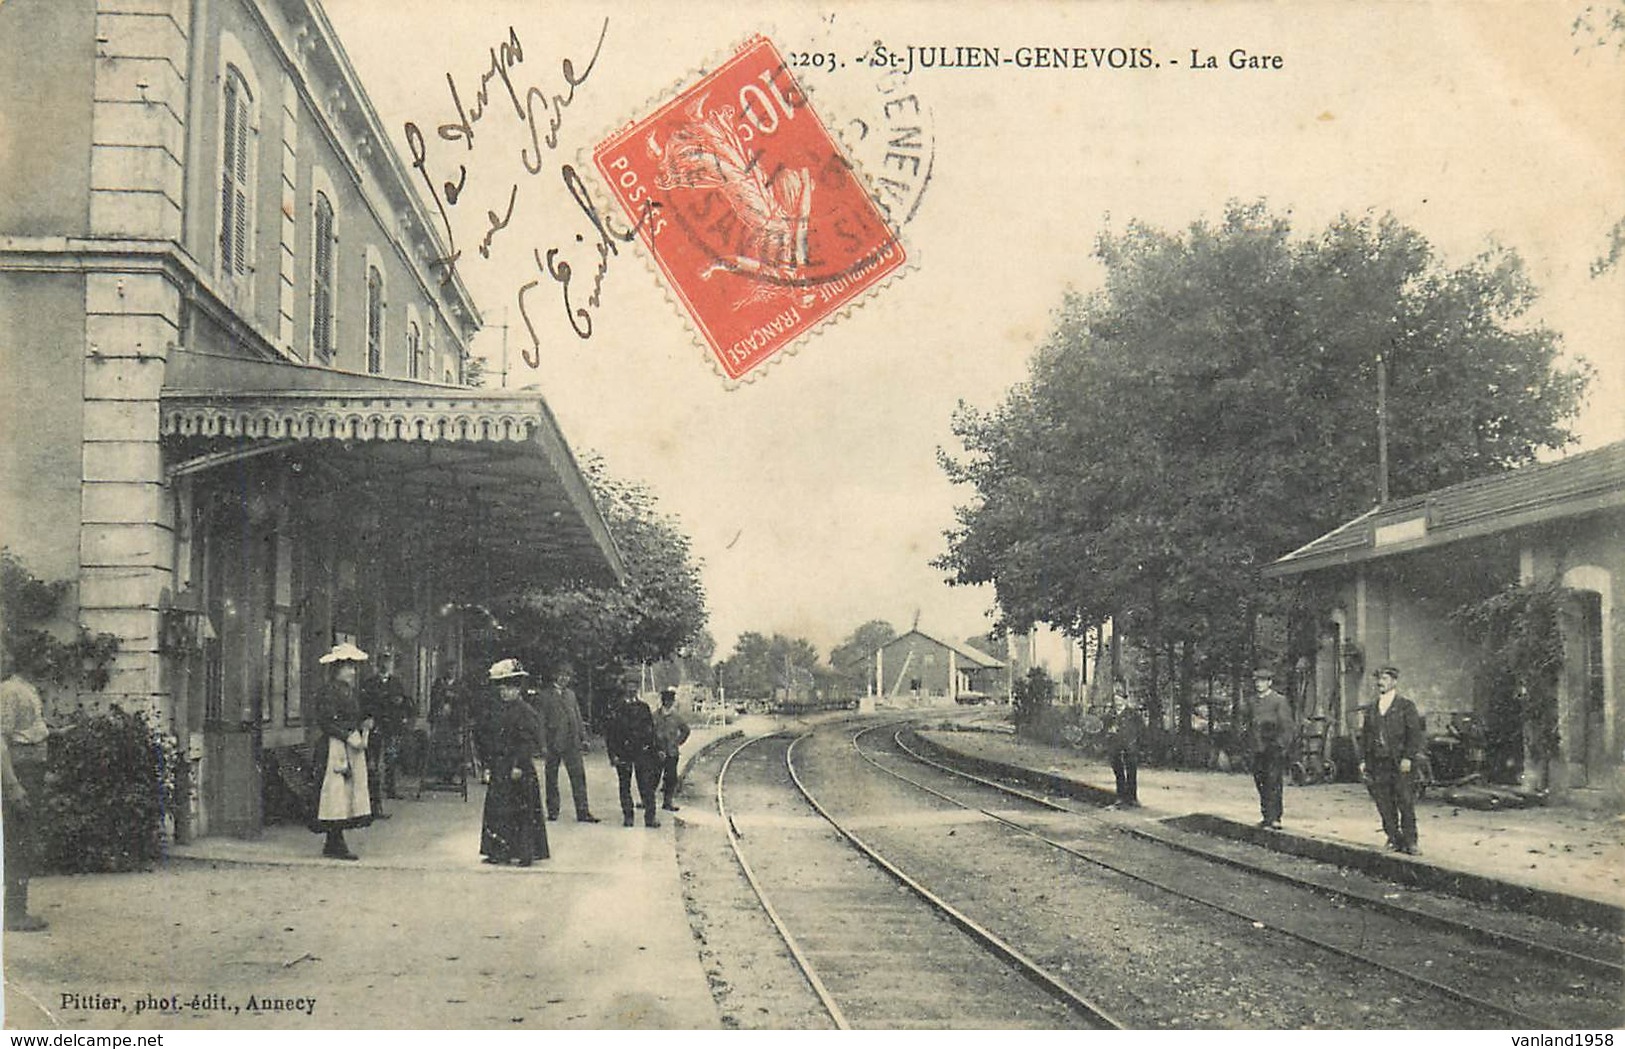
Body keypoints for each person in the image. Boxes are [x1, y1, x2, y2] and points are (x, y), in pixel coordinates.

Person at [479, 659, 549, 866]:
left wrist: (519, 764)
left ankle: (525, 852)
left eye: (509, 688)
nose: (505, 692)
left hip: (518, 767)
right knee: (498, 809)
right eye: (502, 688)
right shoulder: (499, 710)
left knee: (521, 810)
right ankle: (499, 851)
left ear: (518, 689)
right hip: (500, 765)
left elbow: (527, 741)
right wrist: (488, 765)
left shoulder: (525, 711)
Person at [308, 643, 374, 860]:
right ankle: (335, 842)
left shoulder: (350, 691)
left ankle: (333, 841)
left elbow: (354, 714)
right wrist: (347, 737)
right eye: (348, 667)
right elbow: (326, 722)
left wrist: (364, 722)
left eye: (353, 667)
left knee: (346, 794)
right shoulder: (328, 692)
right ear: (337, 669)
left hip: (350, 745)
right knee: (335, 794)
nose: (353, 672)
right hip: (334, 748)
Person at [2, 669, 52, 931]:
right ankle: (13, 913)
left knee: (26, 839)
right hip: (20, 774)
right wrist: (12, 785)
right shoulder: (10, 691)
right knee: (18, 841)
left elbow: (30, 731)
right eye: (42, 659)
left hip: (32, 772)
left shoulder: (29, 688)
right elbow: (1, 739)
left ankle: (17, 908)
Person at [1358, 666, 1427, 855]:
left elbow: (1415, 735)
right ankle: (1393, 837)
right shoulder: (1372, 708)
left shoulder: (1405, 706)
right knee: (1383, 802)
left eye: (1386, 679)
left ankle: (1411, 841)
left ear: (1394, 682)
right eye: (1379, 679)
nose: (1381, 682)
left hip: (1399, 762)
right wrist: (1363, 759)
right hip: (1378, 762)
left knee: (1405, 801)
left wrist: (1408, 758)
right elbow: (1365, 736)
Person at [537, 666, 599, 823]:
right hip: (553, 742)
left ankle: (583, 811)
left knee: (578, 777)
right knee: (551, 777)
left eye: (567, 675)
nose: (564, 678)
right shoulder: (545, 696)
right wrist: (543, 744)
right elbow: (541, 721)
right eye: (561, 675)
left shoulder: (571, 695)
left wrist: (584, 738)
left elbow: (577, 716)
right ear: (555, 676)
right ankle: (552, 811)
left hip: (572, 742)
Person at [360, 652, 412, 816]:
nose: (385, 665)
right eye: (382, 662)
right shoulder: (369, 683)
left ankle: (391, 788)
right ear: (377, 664)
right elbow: (364, 704)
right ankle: (373, 796)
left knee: (391, 758)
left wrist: (401, 707)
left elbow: (405, 703)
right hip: (376, 727)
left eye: (388, 662)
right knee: (374, 761)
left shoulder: (396, 683)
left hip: (392, 727)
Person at [605, 686, 662, 828]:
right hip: (623, 752)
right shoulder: (617, 709)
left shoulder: (644, 707)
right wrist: (612, 755)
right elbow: (610, 734)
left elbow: (651, 730)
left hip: (642, 752)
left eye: (634, 685)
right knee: (625, 786)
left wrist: (655, 750)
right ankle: (628, 816)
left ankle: (650, 817)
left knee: (646, 786)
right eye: (628, 685)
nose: (631, 689)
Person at [1247, 665, 1294, 830]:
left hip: (1273, 747)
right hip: (1257, 748)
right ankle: (1266, 815)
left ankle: (1275, 817)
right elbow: (1250, 724)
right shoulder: (1252, 701)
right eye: (1257, 681)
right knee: (1260, 781)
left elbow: (1287, 726)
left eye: (1262, 681)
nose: (1259, 684)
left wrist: (1281, 745)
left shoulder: (1278, 700)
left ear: (1270, 682)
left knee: (1273, 781)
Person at [1104, 678, 1143, 808]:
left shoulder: (1133, 714)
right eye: (1115, 700)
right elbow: (1104, 729)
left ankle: (1132, 798)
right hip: (1115, 747)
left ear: (1125, 700)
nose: (1117, 702)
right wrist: (1109, 732)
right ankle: (1121, 797)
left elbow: (1141, 729)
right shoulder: (1110, 715)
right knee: (1118, 773)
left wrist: (1136, 742)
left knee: (1132, 772)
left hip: (1130, 747)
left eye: (1120, 699)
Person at [652, 687, 692, 812]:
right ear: (662, 701)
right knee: (654, 777)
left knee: (671, 778)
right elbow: (649, 732)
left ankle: (667, 802)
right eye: (666, 700)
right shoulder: (655, 716)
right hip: (657, 752)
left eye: (671, 700)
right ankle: (648, 801)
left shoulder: (676, 717)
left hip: (672, 752)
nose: (668, 702)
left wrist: (678, 742)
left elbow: (686, 730)